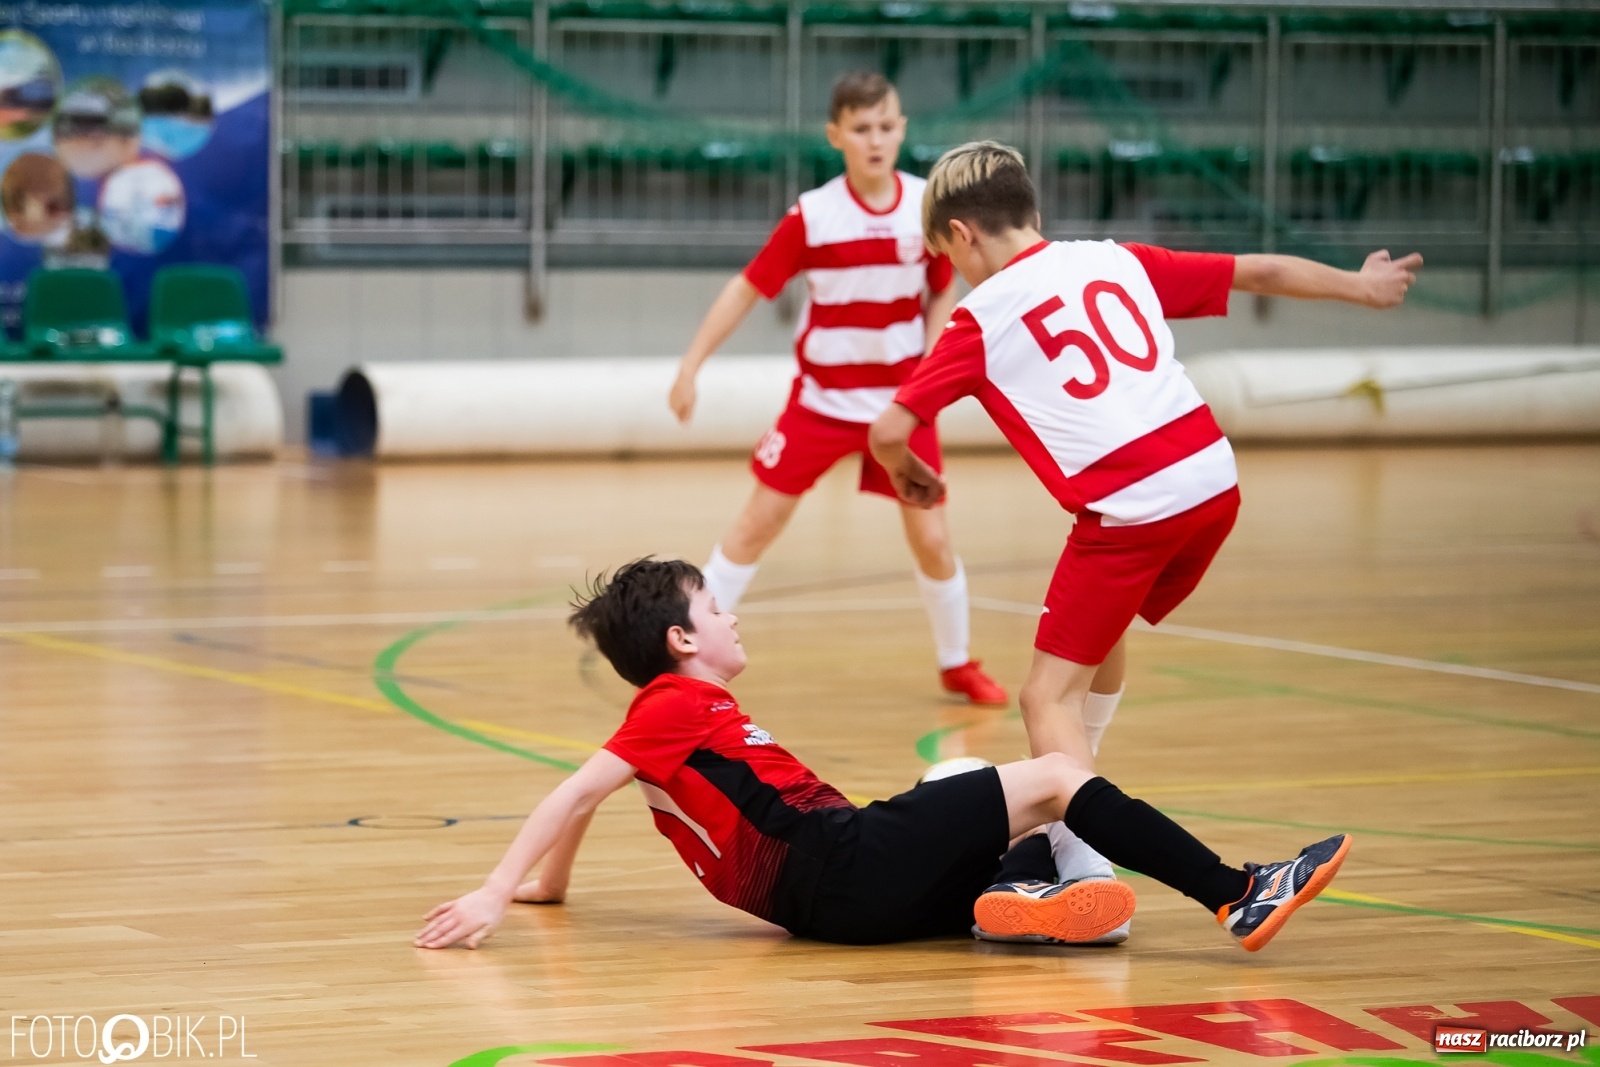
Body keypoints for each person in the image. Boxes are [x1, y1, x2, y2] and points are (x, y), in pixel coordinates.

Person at [868, 140, 1421, 936]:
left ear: (961, 235)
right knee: (1095, 643)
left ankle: (1088, 865)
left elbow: (890, 427)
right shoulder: (1113, 259)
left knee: (1042, 694)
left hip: (1131, 508)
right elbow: (1258, 271)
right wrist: (1362, 289)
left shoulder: (979, 316)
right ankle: (1072, 833)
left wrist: (906, 470)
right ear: (1032, 211)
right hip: (1210, 480)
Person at [414, 558, 1351, 952]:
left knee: (957, 785)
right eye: (713, 607)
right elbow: (580, 784)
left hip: (833, 909)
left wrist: (549, 888)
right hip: (843, 861)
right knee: (1059, 778)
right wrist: (499, 888)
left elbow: (597, 792)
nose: (731, 614)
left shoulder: (669, 718)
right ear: (681, 642)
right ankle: (1238, 892)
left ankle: (1014, 894)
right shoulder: (675, 705)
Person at [668, 71, 1004, 706]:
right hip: (819, 403)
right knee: (754, 525)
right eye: (861, 128)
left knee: (931, 537)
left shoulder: (923, 207)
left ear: (902, 130)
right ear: (836, 136)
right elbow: (747, 287)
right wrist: (691, 365)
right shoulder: (813, 215)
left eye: (886, 126)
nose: (876, 139)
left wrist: (929, 374)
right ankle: (692, 654)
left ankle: (957, 662)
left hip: (900, 407)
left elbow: (941, 291)